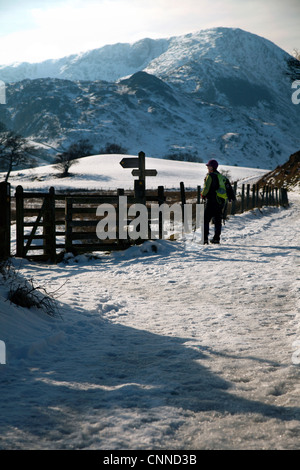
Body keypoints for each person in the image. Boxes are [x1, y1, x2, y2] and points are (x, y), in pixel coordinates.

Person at [201, 159, 235, 244]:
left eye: (209, 166)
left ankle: (204, 239)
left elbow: (206, 188)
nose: (207, 167)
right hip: (220, 202)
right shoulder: (221, 177)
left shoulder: (210, 176)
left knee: (205, 219)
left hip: (211, 200)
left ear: (212, 167)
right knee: (217, 220)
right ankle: (216, 238)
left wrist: (203, 194)